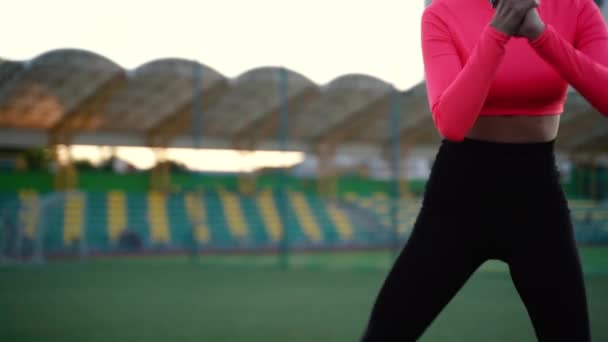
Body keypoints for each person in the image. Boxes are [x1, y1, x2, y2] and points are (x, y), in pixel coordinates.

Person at [361, 0, 608, 340]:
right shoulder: (442, 12)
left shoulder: (577, 9)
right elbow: (451, 123)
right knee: (386, 333)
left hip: (536, 198)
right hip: (459, 197)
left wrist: (540, 34)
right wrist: (498, 33)